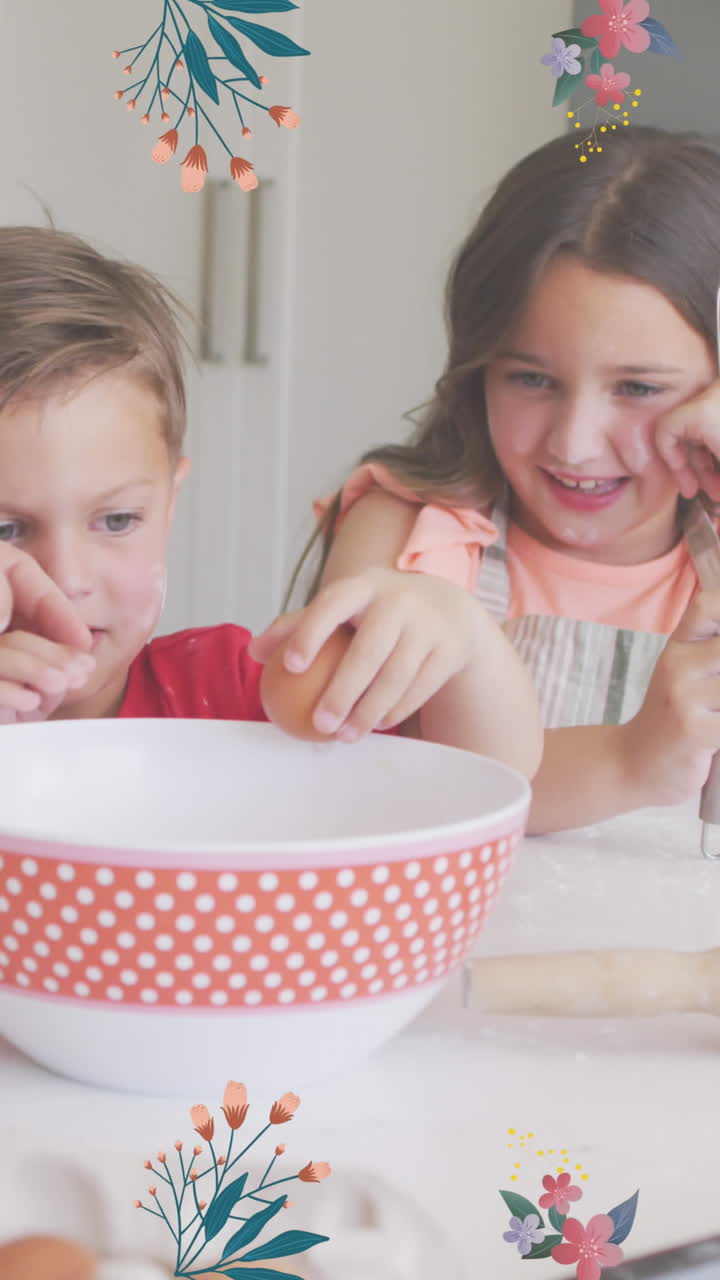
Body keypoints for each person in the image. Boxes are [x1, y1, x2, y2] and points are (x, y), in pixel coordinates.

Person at [286, 126, 720, 834]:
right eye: (532, 379)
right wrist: (630, 760)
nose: (574, 445)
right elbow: (381, 788)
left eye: (639, 388)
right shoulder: (411, 534)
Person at [0, 226, 541, 776]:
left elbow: (484, 781)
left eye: (117, 520)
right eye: (6, 531)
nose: (67, 580)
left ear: (168, 505)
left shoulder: (227, 691)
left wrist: (469, 642)